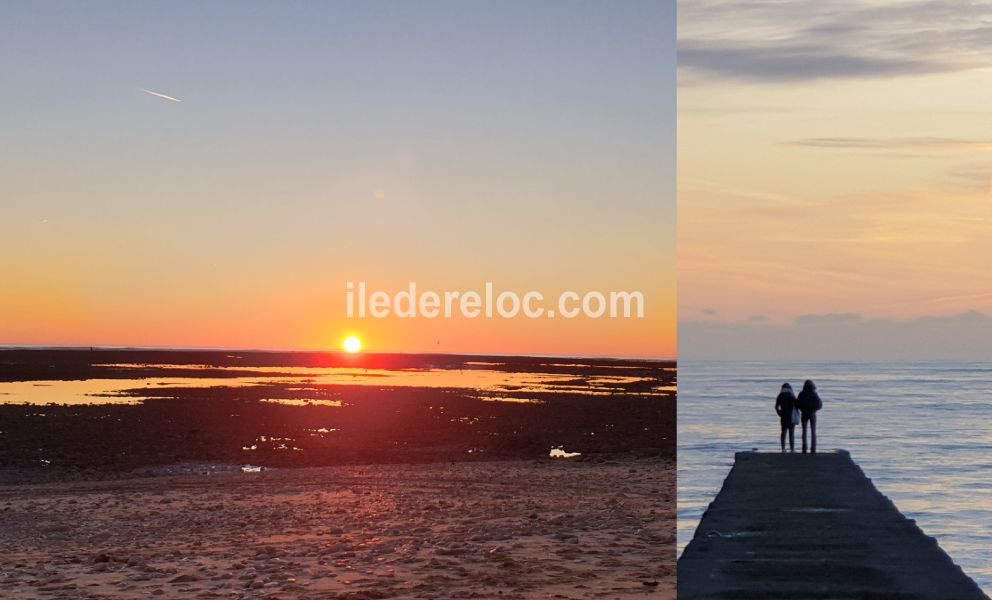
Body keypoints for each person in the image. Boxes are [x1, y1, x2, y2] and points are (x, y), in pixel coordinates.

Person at [796, 379, 823, 453]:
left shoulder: (802, 393)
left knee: (804, 431)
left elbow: (797, 404)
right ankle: (813, 448)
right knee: (813, 432)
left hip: (804, 413)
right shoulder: (814, 394)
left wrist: (801, 409)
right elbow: (820, 404)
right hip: (812, 413)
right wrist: (814, 409)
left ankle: (804, 447)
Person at [774, 383, 797, 452]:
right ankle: (792, 449)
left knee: (783, 432)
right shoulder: (791, 395)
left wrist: (779, 413)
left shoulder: (780, 395)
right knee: (791, 433)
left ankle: (783, 448)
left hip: (783, 416)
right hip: (791, 416)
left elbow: (776, 407)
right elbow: (796, 405)